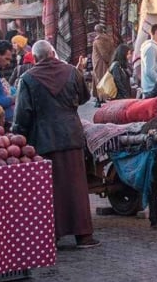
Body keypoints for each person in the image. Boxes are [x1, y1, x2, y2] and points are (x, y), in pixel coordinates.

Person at [13, 40, 97, 248]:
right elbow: (85, 97)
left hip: (43, 138)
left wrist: (18, 136)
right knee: (76, 186)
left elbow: (23, 113)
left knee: (49, 190)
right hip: (71, 134)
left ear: (35, 58)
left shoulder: (28, 79)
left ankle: (53, 235)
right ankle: (83, 235)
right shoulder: (71, 72)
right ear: (53, 53)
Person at [139, 24, 157, 97]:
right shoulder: (151, 47)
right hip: (151, 90)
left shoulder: (155, 47)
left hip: (154, 89)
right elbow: (149, 70)